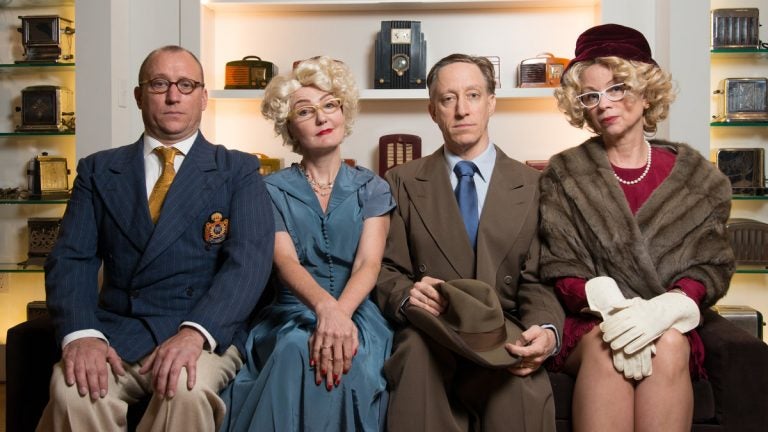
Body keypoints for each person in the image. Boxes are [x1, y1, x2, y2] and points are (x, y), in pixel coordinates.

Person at [38, 45, 275, 432]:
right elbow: (70, 259)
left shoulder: (238, 170)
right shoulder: (98, 170)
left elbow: (247, 264)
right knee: (72, 390)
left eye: (186, 84)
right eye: (159, 83)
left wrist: (195, 333)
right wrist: (82, 335)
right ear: (138, 95)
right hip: (117, 331)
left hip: (200, 332)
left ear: (203, 98)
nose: (173, 95)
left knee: (186, 388)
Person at [539, 23, 735, 431]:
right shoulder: (564, 174)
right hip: (594, 320)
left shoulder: (699, 178)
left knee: (669, 343)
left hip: (670, 324)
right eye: (590, 95)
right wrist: (607, 301)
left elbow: (710, 266)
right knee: (607, 346)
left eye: (617, 88)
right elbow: (560, 265)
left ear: (645, 91)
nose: (604, 104)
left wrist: (669, 307)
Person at [374, 53, 565, 432]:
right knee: (414, 365)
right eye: (448, 99)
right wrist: (407, 295)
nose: (461, 109)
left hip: (504, 332)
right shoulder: (400, 180)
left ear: (492, 102)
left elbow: (539, 278)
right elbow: (383, 267)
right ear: (432, 111)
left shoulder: (534, 185)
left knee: (520, 400)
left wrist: (545, 329)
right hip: (430, 332)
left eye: (473, 95)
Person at [220, 56, 395, 432]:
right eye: (305, 111)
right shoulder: (269, 189)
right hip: (292, 312)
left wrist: (339, 316)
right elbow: (285, 262)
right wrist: (324, 312)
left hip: (357, 313)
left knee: (353, 357)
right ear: (289, 128)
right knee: (294, 350)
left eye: (330, 105)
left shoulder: (374, 188)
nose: (321, 118)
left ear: (344, 113)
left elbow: (369, 264)